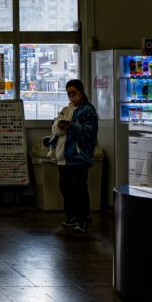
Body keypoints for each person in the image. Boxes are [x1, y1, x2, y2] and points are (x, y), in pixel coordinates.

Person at [50, 79, 98, 233]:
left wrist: (71, 126)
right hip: (64, 156)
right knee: (65, 187)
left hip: (78, 157)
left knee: (79, 189)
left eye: (73, 93)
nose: (71, 96)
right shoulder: (67, 109)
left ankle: (83, 218)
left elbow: (89, 133)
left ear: (81, 92)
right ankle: (72, 216)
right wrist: (61, 126)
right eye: (68, 93)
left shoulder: (88, 111)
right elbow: (55, 129)